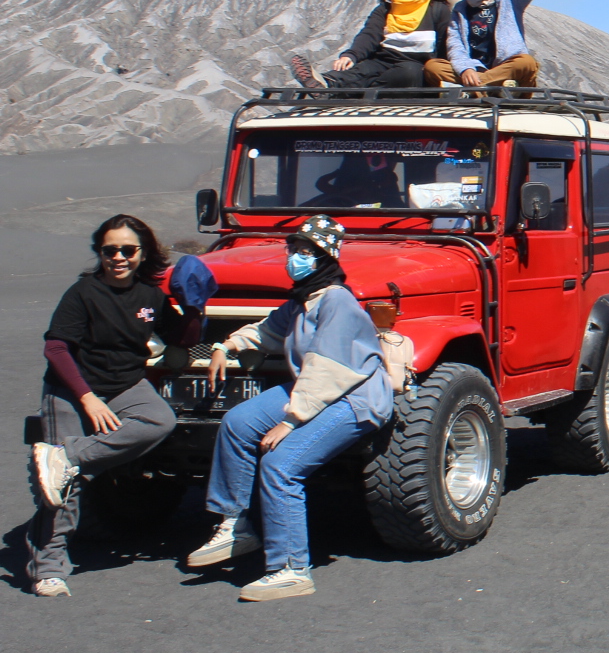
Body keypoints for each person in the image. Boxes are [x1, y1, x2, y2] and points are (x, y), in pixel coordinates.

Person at [184, 215, 395, 602]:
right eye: (293, 249)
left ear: (324, 258)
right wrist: (226, 346)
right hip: (313, 390)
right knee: (239, 422)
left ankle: (290, 569)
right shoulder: (304, 299)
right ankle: (237, 524)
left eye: (304, 251)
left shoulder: (337, 301)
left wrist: (290, 421)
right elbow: (267, 330)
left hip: (355, 398)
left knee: (281, 464)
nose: (294, 258)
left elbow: (329, 369)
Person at [27, 216, 189, 598]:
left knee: (158, 420)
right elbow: (56, 348)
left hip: (124, 385)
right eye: (109, 250)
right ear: (99, 253)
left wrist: (193, 307)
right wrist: (86, 398)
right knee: (60, 490)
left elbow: (178, 334)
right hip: (71, 389)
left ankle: (68, 458)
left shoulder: (150, 297)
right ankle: (48, 567)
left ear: (143, 253)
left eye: (128, 250)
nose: (118, 257)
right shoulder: (83, 293)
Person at [424, 0, 603, 90]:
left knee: (526, 63)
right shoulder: (460, 9)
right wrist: (466, 69)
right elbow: (455, 45)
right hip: (475, 69)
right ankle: (488, 86)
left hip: (505, 68)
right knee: (433, 67)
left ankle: (478, 87)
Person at [289, 0, 450, 92]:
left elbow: (445, 45)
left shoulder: (438, 10)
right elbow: (369, 35)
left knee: (409, 73)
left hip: (416, 66)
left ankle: (346, 93)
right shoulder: (385, 9)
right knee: (361, 70)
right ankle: (327, 85)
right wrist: (351, 55)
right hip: (382, 60)